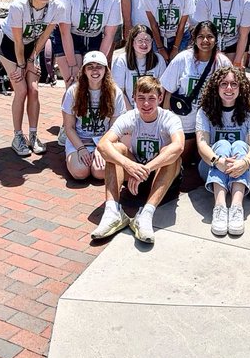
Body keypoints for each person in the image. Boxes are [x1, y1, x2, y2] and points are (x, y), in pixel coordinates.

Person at [91, 77, 185, 244]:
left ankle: (146, 215)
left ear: (160, 98)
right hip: (135, 174)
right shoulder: (130, 117)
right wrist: (129, 164)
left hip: (161, 177)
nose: (146, 104)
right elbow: (103, 144)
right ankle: (113, 212)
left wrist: (146, 169)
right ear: (134, 98)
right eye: (141, 98)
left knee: (171, 154)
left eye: (151, 98)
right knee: (116, 149)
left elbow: (179, 146)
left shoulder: (170, 118)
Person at [0, 0, 63, 156]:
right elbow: (18, 41)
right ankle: (17, 136)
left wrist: (31, 59)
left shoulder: (57, 7)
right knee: (21, 89)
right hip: (9, 44)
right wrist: (22, 65)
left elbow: (44, 36)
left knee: (34, 90)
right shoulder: (18, 6)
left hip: (32, 47)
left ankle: (33, 135)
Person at [195, 66, 250, 236]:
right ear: (216, 87)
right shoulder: (204, 111)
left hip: (245, 166)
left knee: (240, 145)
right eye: (224, 84)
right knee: (223, 144)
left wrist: (244, 162)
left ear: (241, 88)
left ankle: (236, 207)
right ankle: (219, 207)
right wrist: (218, 161)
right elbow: (202, 145)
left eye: (234, 84)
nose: (229, 88)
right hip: (211, 165)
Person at [159, 20, 232, 162]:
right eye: (201, 36)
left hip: (210, 123)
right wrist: (166, 122)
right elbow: (168, 91)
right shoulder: (183, 58)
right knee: (181, 161)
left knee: (204, 161)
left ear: (216, 39)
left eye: (210, 36)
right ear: (194, 39)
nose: (205, 40)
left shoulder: (222, 62)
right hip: (184, 122)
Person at [62, 51, 128, 182]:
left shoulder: (115, 92)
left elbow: (115, 128)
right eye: (90, 66)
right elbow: (68, 127)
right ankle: (72, 158)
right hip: (80, 140)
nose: (95, 70)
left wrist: (101, 148)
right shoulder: (73, 91)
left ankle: (95, 158)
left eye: (99, 66)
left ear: (105, 70)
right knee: (80, 172)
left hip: (103, 140)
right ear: (84, 71)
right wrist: (81, 148)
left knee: (100, 172)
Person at [57, 0, 122, 83]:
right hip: (70, 37)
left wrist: (99, 63)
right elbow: (64, 32)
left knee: (94, 84)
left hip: (95, 38)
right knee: (73, 83)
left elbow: (109, 35)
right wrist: (73, 65)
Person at [111, 26, 169, 107]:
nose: (144, 44)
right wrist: (131, 113)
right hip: (128, 109)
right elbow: (119, 91)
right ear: (132, 42)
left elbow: (161, 89)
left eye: (147, 40)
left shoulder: (159, 59)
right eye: (140, 41)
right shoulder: (121, 60)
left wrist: (152, 109)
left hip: (152, 108)